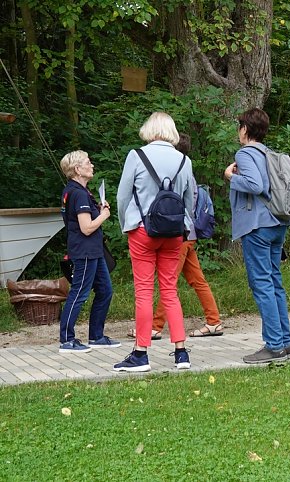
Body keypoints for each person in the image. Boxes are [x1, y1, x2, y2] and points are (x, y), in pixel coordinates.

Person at [114, 112, 195, 372]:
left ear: (148, 129)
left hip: (142, 231)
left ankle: (141, 353)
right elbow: (190, 200)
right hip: (173, 232)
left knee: (144, 292)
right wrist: (185, 226)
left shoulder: (136, 156)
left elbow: (122, 197)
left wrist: (125, 222)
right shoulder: (184, 160)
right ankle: (181, 352)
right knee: (170, 291)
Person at [127, 133, 223, 340]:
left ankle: (155, 327)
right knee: (197, 280)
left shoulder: (177, 171)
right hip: (187, 234)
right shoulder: (185, 169)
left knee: (167, 283)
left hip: (176, 234)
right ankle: (214, 321)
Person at [225, 108, 290, 363]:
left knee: (262, 283)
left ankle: (274, 345)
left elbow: (256, 186)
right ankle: (286, 343)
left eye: (239, 126)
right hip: (278, 222)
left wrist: (231, 176)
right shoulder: (269, 153)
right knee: (275, 282)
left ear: (245, 129)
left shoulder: (245, 154)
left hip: (258, 226)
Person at [57, 151, 120, 353]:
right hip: (84, 251)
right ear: (77, 169)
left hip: (94, 251)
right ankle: (67, 339)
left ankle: (96, 336)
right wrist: (104, 215)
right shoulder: (78, 193)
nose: (91, 165)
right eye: (88, 162)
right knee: (79, 293)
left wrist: (98, 208)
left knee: (105, 290)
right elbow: (86, 227)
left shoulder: (78, 191)